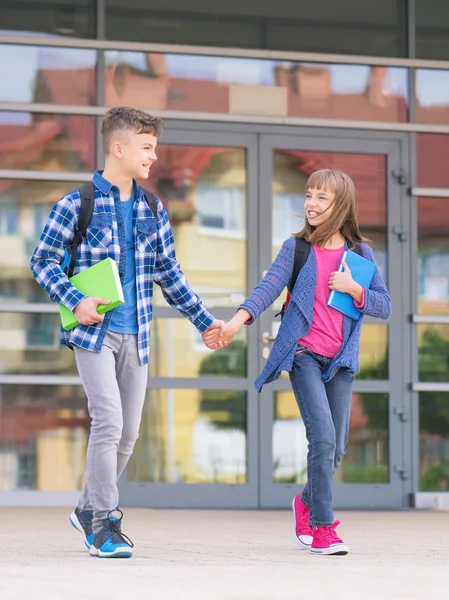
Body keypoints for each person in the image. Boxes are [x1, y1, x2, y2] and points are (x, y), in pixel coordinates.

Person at [30, 106, 226, 559]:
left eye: (154, 148)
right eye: (146, 147)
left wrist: (205, 323)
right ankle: (103, 524)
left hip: (136, 335)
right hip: (93, 335)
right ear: (118, 148)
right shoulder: (75, 204)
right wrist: (75, 300)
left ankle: (86, 507)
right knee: (109, 421)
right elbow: (42, 260)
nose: (154, 156)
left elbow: (169, 274)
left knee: (129, 433)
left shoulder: (152, 207)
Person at [203, 169, 391, 556]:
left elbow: (384, 306)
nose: (311, 203)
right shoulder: (297, 249)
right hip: (304, 354)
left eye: (322, 197)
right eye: (308, 195)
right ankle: (323, 528)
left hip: (340, 361)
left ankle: (305, 502)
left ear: (341, 205)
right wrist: (237, 322)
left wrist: (356, 290)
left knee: (336, 448)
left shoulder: (359, 254)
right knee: (321, 438)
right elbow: (268, 288)